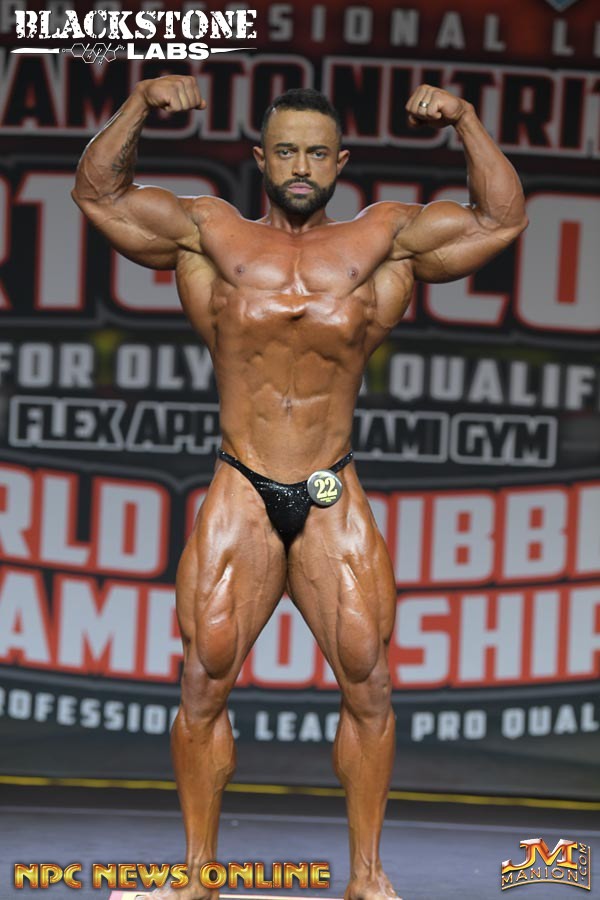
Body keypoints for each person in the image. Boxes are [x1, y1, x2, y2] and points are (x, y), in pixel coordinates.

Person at [72, 76, 527, 900]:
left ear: (341, 162)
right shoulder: (210, 233)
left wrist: (465, 120)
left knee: (369, 682)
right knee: (203, 680)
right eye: (286, 151)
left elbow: (501, 220)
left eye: (318, 152)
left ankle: (368, 878)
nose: (302, 166)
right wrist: (138, 104)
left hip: (329, 487)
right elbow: (97, 193)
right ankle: (197, 877)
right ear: (261, 158)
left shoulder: (383, 240)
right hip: (241, 483)